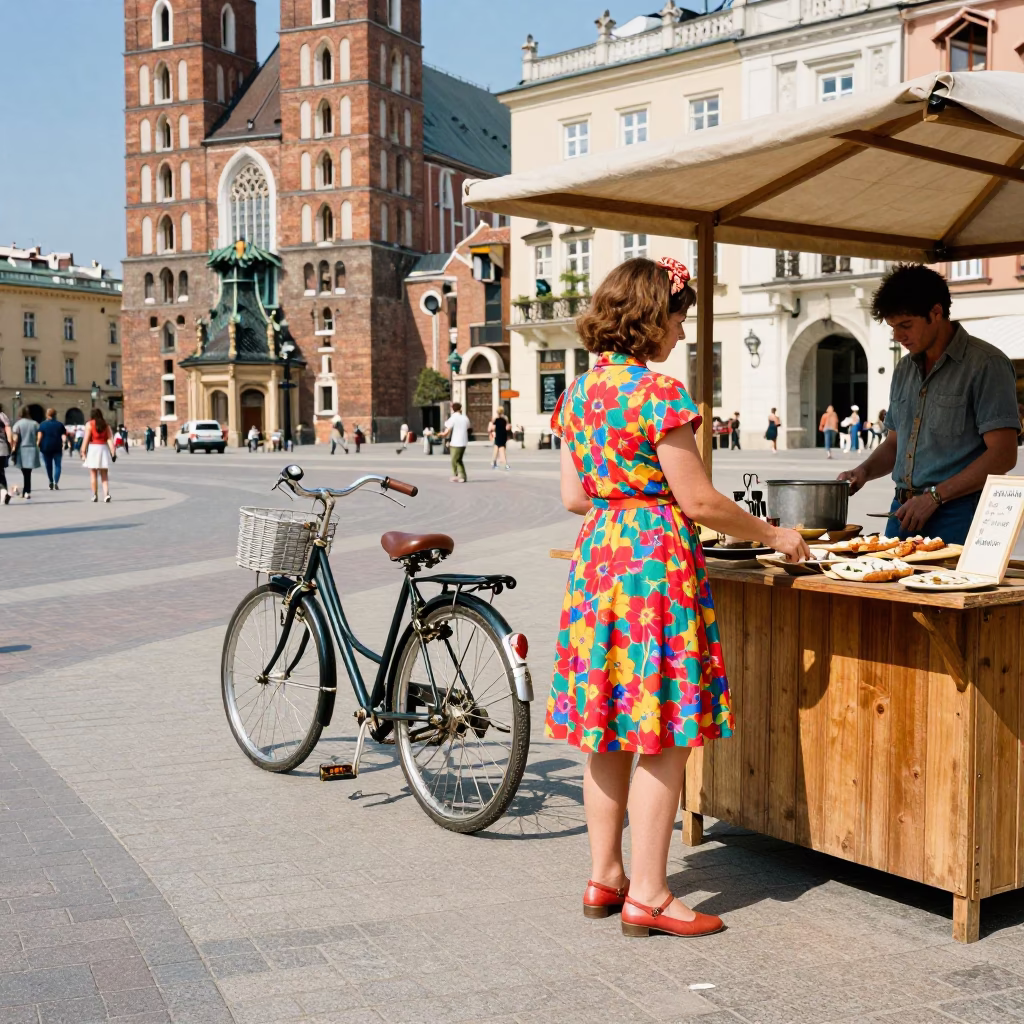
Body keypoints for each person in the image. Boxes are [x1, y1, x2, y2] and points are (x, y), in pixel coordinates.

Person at [549, 257, 808, 940]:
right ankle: (653, 895)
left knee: (605, 732)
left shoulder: (578, 395)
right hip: (653, 565)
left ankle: (605, 876)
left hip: (599, 558)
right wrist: (774, 533)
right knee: (662, 735)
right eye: (680, 317)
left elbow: (575, 497)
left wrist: (620, 498)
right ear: (652, 317)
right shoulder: (658, 393)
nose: (681, 331)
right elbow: (697, 500)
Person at [839, 264, 1019, 544]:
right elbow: (895, 443)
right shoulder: (903, 369)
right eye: (893, 327)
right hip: (901, 512)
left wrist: (935, 496)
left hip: (960, 513)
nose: (898, 336)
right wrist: (864, 471)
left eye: (905, 325)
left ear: (936, 313)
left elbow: (1004, 455)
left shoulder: (986, 365)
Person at [82, 408, 116, 502]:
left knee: (93, 474)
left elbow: (86, 439)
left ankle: (94, 495)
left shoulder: (89, 424)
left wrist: (83, 450)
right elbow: (109, 439)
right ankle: (106, 494)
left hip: (93, 449)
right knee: (104, 474)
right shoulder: (106, 425)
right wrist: (113, 451)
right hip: (103, 449)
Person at [11, 408, 42, 500]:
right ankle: (27, 491)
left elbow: (15, 439)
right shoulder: (35, 423)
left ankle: (26, 491)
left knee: (25, 472)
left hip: (22, 449)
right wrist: (37, 444)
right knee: (28, 472)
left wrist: (13, 449)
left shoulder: (18, 424)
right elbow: (39, 435)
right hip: (32, 449)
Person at [37, 409, 67, 491]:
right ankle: (56, 482)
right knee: (58, 465)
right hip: (57, 447)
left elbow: (40, 437)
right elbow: (64, 436)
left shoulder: (42, 425)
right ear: (55, 415)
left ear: (47, 415)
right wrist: (64, 443)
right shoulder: (60, 424)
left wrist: (37, 445)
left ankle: (50, 481)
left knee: (48, 465)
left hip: (45, 447)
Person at [441, 402, 471, 483]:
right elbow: (468, 426)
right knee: (459, 460)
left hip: (455, 442)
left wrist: (441, 434)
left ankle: (455, 475)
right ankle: (462, 476)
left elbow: (447, 428)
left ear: (453, 409)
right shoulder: (465, 417)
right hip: (464, 442)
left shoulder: (453, 417)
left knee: (454, 460)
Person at [0, 405, 12, 505]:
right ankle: (4, 492)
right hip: (2, 448)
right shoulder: (3, 416)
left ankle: (3, 491)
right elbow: (8, 431)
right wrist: (10, 444)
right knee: (1, 471)